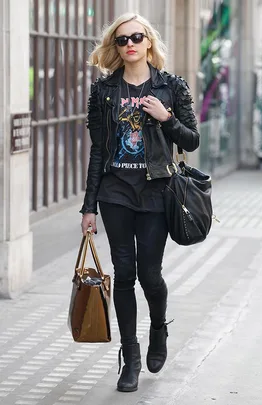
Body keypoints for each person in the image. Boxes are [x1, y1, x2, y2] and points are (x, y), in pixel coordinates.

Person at [80, 13, 200, 392]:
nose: (129, 43)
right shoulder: (103, 92)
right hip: (115, 193)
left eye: (136, 36)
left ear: (148, 41)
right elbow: (98, 151)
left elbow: (192, 140)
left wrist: (166, 118)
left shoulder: (171, 87)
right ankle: (129, 356)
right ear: (115, 48)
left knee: (150, 274)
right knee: (125, 274)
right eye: (121, 39)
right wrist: (88, 206)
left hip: (155, 192)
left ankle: (158, 329)